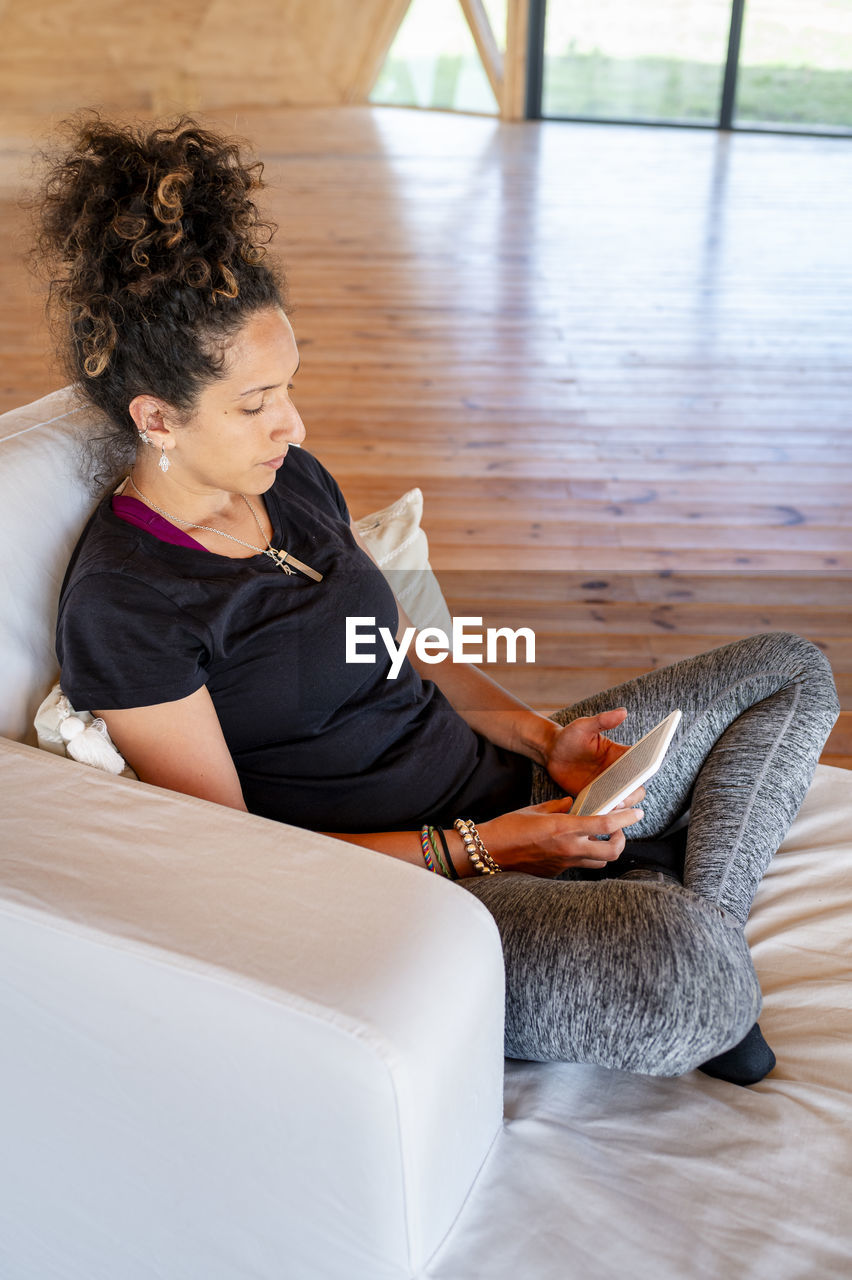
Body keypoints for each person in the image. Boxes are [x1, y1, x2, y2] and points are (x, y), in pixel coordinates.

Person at [41, 117, 840, 1085]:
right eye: (255, 404)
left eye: (289, 386)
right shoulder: (126, 606)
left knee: (790, 671)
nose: (289, 423)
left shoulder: (293, 479)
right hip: (421, 890)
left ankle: (662, 888)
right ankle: (671, 907)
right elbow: (242, 862)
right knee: (684, 973)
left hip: (523, 802)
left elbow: (412, 641)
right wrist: (483, 849)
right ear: (157, 418)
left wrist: (546, 740)